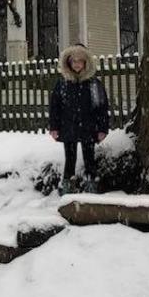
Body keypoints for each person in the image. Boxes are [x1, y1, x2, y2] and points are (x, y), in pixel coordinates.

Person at [48, 43, 110, 194]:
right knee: (70, 159)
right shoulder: (62, 84)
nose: (77, 65)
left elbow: (101, 107)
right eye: (74, 61)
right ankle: (68, 186)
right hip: (68, 127)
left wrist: (102, 128)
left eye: (80, 61)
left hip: (89, 128)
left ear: (85, 63)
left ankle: (91, 185)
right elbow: (55, 107)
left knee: (90, 159)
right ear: (68, 63)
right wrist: (54, 127)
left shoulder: (93, 84)